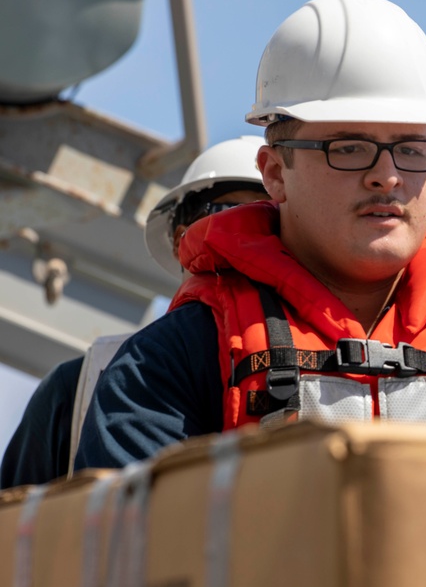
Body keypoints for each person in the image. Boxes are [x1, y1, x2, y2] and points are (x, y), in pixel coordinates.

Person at [75, 0, 426, 470]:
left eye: (411, 148)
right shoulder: (173, 364)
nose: (387, 175)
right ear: (274, 172)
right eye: (350, 148)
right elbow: (133, 557)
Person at [0, 136, 270, 488]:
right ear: (179, 239)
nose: (245, 237)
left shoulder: (339, 370)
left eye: (268, 222)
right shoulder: (77, 385)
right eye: (227, 215)